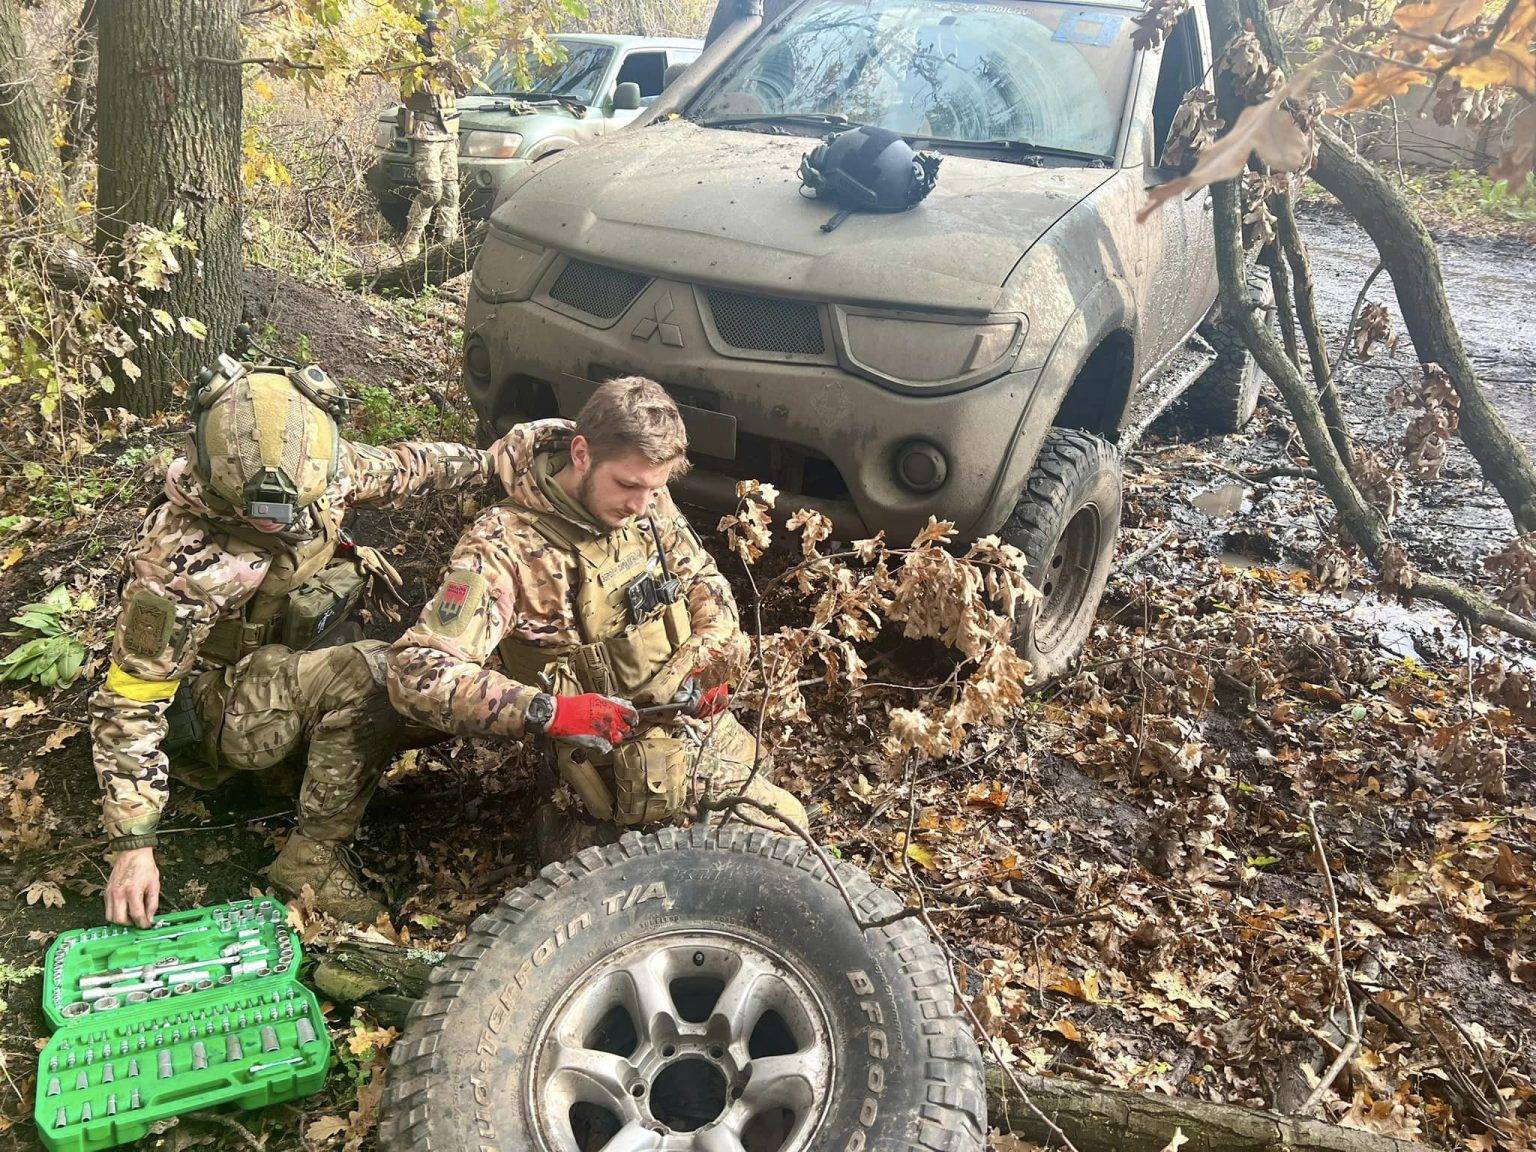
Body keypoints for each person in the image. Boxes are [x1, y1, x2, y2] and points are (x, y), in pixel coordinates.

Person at [92, 357, 493, 928]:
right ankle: (311, 861)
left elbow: (408, 465)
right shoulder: (179, 562)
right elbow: (131, 701)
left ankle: (305, 752)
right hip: (211, 707)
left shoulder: (323, 473)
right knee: (384, 673)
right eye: (257, 511)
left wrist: (503, 458)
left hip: (277, 665)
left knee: (434, 677)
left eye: (292, 505)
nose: (279, 519)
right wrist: (133, 843)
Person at [387, 376, 805, 857]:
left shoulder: (646, 499)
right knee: (785, 830)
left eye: (655, 489)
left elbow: (702, 578)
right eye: (628, 485)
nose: (640, 506)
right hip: (600, 759)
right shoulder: (504, 547)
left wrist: (709, 658)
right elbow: (415, 672)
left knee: (760, 772)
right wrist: (553, 712)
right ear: (581, 453)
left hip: (680, 716)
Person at [400, 5, 461, 260]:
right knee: (432, 192)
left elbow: (462, 88)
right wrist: (432, 74)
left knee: (451, 192)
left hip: (448, 131)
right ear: (424, 31)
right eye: (434, 30)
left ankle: (447, 249)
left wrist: (454, 72)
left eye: (439, 31)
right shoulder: (412, 59)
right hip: (426, 131)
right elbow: (414, 88)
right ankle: (411, 244)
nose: (437, 35)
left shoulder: (446, 57)